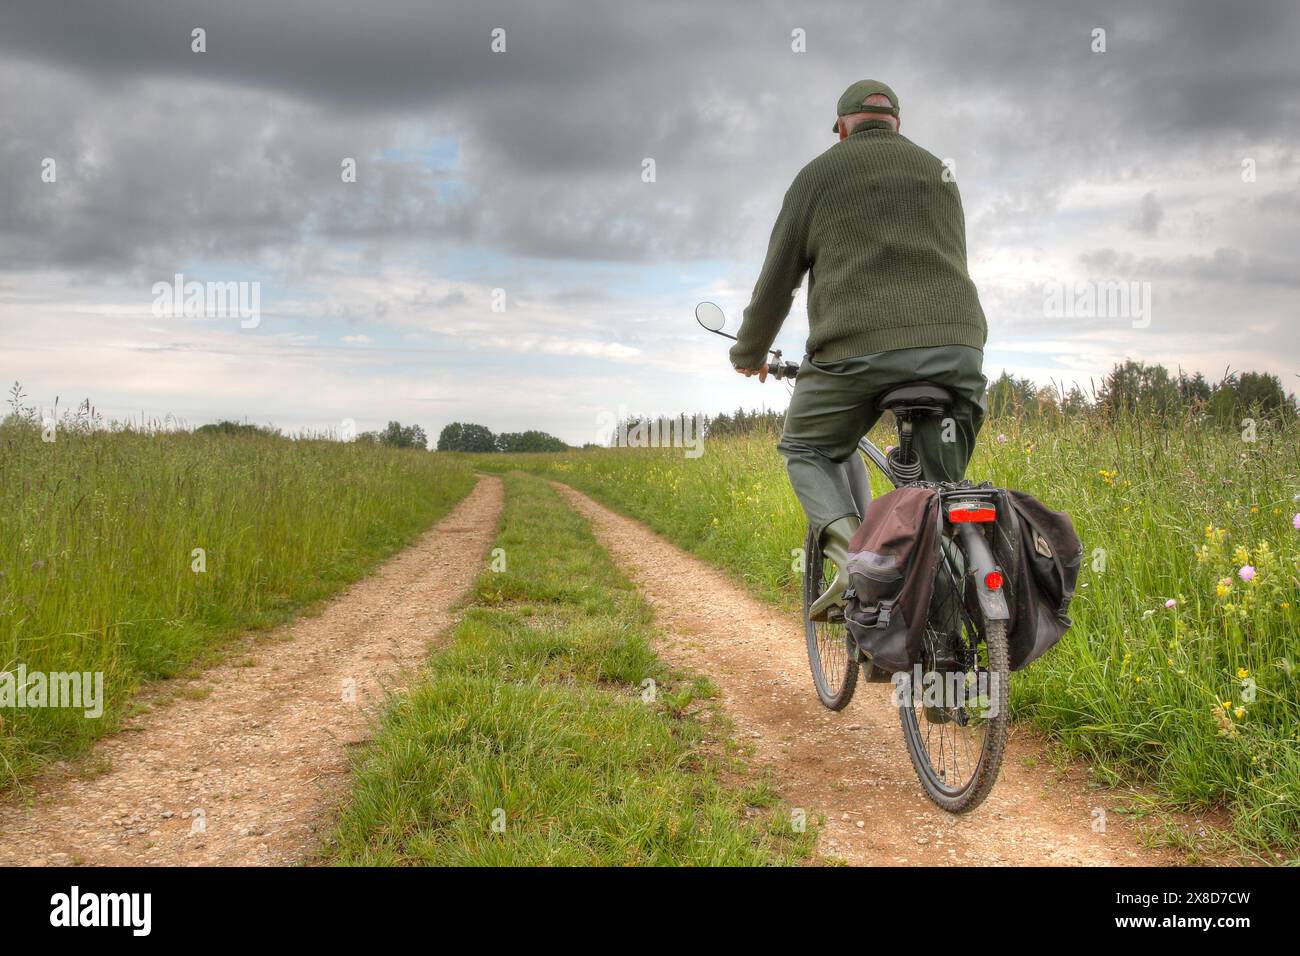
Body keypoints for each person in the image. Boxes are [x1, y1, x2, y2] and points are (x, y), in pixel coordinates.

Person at [730, 79, 988, 621]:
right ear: (899, 122)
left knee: (806, 448)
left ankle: (859, 567)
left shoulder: (818, 175)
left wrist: (748, 352)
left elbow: (778, 281)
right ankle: (947, 659)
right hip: (956, 354)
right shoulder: (940, 171)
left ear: (842, 128)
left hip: (855, 354)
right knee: (941, 496)